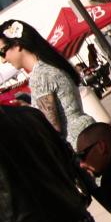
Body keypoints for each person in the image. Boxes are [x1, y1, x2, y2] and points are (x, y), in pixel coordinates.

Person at [1, 20, 96, 148]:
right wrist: (30, 109)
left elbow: (51, 127)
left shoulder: (39, 76)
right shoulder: (50, 64)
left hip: (76, 145)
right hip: (88, 133)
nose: (3, 60)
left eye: (2, 52)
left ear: (17, 45)